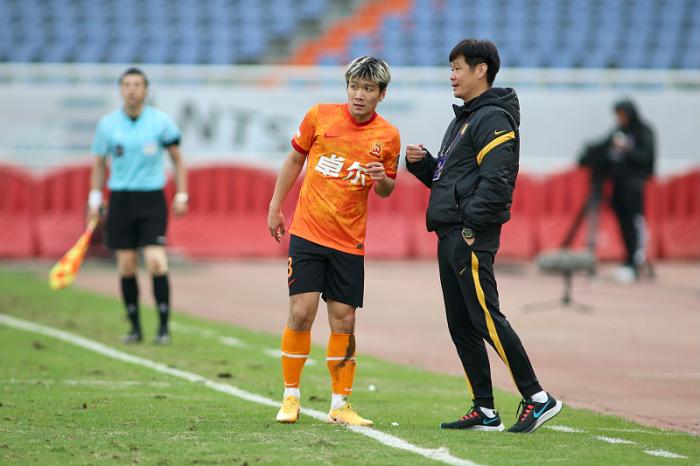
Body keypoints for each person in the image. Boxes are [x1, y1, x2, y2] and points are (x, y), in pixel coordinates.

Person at [405, 39, 562, 433]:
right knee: (462, 324)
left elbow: (498, 181)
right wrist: (423, 165)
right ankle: (485, 409)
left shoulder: (492, 118)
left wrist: (471, 227)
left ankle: (537, 397)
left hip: (468, 234)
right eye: (451, 68)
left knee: (487, 318)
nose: (451, 75)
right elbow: (450, 182)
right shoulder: (465, 119)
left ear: (481, 70)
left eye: (458, 67)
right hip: (451, 231)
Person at [267, 56, 400, 426]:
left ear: (381, 94)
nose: (359, 95)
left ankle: (341, 405)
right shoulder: (319, 116)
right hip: (308, 233)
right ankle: (290, 397)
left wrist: (382, 179)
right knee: (301, 312)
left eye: (368, 89)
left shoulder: (388, 136)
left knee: (345, 321)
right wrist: (275, 207)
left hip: (349, 241)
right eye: (354, 86)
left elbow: (387, 189)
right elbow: (294, 160)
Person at [87, 67, 188, 345]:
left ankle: (163, 327)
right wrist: (94, 198)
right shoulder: (107, 125)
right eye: (127, 85)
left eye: (137, 85)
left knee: (156, 260)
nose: (132, 89)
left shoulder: (160, 122)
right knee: (127, 265)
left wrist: (182, 194)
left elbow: (178, 160)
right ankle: (134, 327)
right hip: (121, 199)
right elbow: (99, 164)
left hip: (151, 198)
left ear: (145, 90)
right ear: (121, 89)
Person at [580, 100, 655, 282]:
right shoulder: (619, 131)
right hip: (618, 186)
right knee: (623, 224)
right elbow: (603, 146)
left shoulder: (644, 131)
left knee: (634, 224)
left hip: (634, 186)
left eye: (622, 114)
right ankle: (628, 260)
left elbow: (646, 157)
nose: (619, 118)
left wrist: (627, 148)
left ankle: (636, 262)